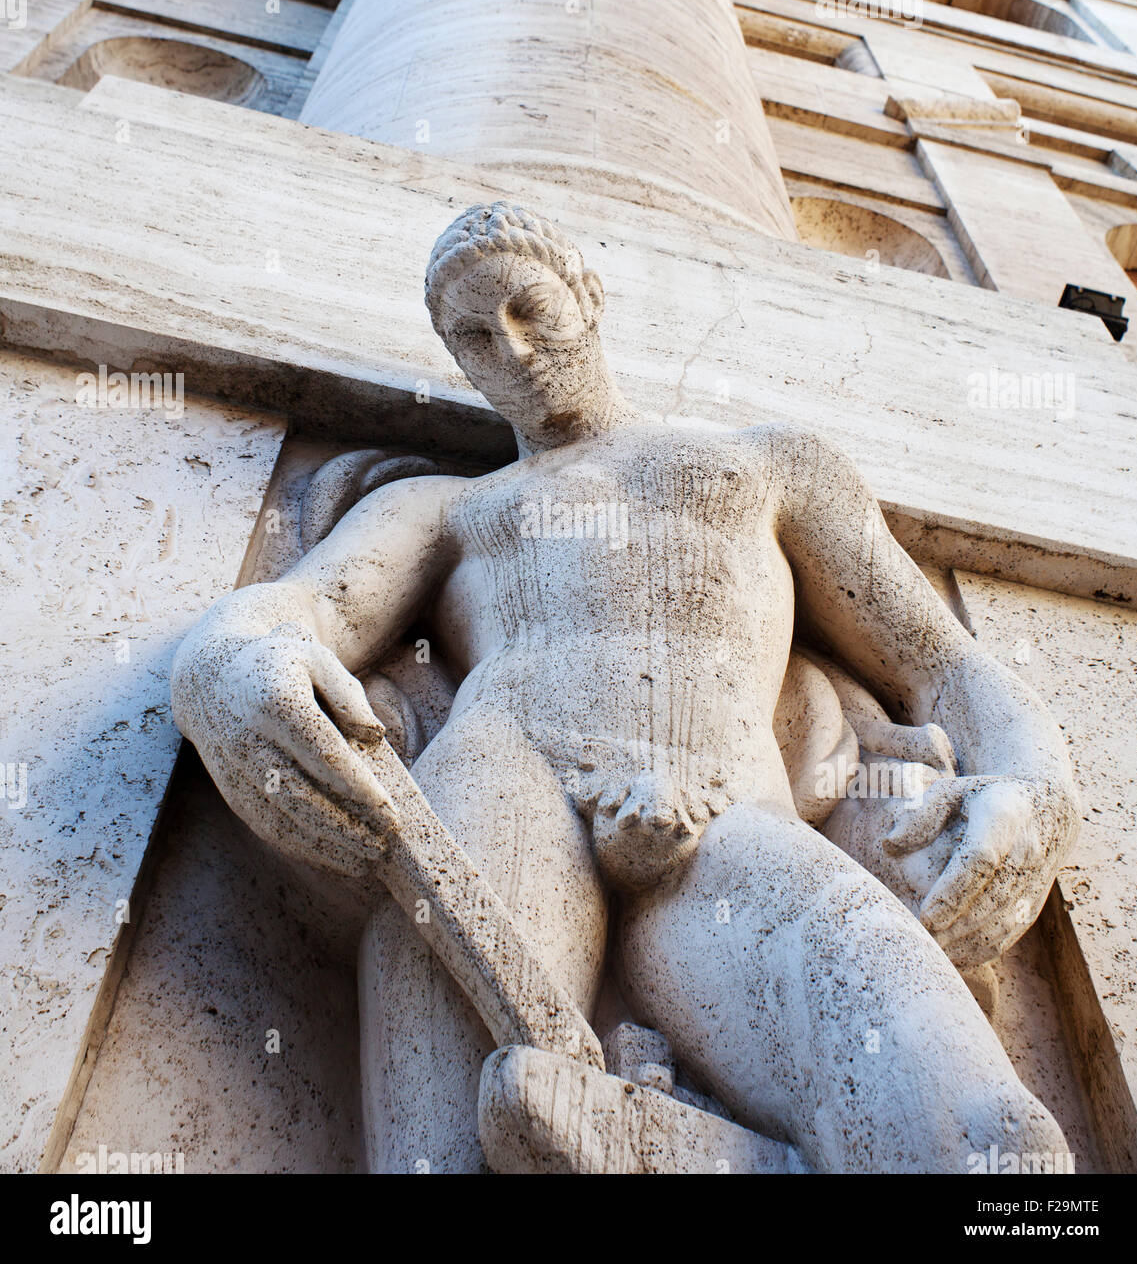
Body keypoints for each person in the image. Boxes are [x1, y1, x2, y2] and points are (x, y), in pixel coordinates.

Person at [172, 201, 1080, 1172]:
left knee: (985, 1136)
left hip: (727, 812)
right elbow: (298, 610)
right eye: (475, 337)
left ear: (588, 297)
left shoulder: (766, 462)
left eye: (529, 308)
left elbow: (936, 657)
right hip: (502, 796)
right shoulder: (450, 508)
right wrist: (224, 670)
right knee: (450, 1156)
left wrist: (1037, 790)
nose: (511, 348)